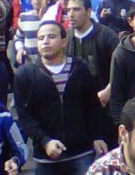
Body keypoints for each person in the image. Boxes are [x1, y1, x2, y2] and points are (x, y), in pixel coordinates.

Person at [14, 21, 108, 174]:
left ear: (63, 41)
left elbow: (92, 107)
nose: (45, 41)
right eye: (41, 38)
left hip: (81, 152)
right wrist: (45, 141)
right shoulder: (25, 75)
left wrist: (97, 136)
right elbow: (25, 116)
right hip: (45, 157)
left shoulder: (80, 68)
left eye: (51, 36)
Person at [65, 0, 119, 107]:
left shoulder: (107, 36)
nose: (71, 14)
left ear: (88, 12)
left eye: (76, 9)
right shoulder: (66, 37)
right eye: (68, 9)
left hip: (102, 99)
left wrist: (108, 90)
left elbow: (120, 68)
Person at [13, 0, 48, 65]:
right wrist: (20, 49)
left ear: (48, 0)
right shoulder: (24, 17)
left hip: (48, 62)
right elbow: (18, 37)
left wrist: (42, 18)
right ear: (31, 1)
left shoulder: (53, 16)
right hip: (30, 63)